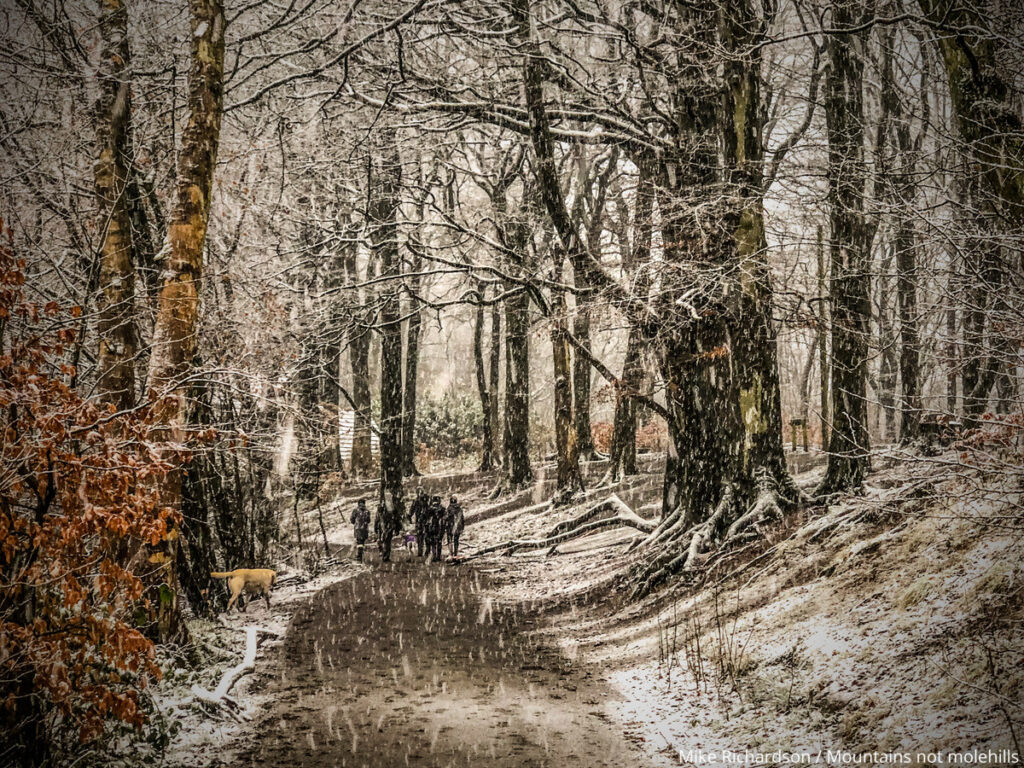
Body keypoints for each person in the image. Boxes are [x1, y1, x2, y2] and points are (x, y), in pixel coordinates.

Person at [375, 497, 401, 563]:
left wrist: (397, 528)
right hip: (386, 527)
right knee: (386, 542)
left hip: (385, 527)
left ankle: (384, 555)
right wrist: (397, 528)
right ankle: (385, 555)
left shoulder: (383, 508)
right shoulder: (390, 508)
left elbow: (396, 519)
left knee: (385, 541)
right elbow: (396, 519)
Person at [424, 495, 445, 562]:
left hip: (432, 526)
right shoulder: (442, 508)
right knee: (438, 541)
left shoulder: (430, 508)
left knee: (433, 542)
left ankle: (434, 555)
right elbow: (445, 517)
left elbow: (425, 517)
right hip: (438, 526)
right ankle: (437, 556)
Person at [410, 488, 428, 557]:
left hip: (423, 520)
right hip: (422, 520)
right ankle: (422, 551)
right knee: (421, 536)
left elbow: (412, 510)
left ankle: (423, 551)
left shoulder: (419, 501)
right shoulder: (422, 500)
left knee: (422, 536)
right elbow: (412, 510)